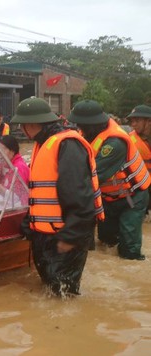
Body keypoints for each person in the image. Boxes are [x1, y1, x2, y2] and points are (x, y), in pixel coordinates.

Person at [11, 97, 104, 297]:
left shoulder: (67, 145)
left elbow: (79, 195)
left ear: (32, 124)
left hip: (66, 235)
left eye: (22, 125)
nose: (21, 129)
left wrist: (71, 236)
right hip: (48, 234)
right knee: (51, 289)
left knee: (63, 296)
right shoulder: (43, 143)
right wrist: (30, 223)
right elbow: (44, 192)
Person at [68, 100, 150, 261]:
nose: (79, 129)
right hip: (108, 199)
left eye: (81, 125)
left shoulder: (114, 143)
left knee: (129, 250)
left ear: (91, 124)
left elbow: (91, 176)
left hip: (132, 197)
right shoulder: (89, 135)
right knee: (107, 241)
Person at [126, 104, 151, 219]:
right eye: (132, 121)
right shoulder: (129, 140)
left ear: (149, 121)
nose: (133, 124)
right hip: (138, 188)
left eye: (137, 120)